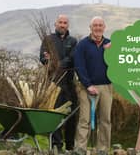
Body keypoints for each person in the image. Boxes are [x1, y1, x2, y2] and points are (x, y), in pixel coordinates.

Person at [73, 16, 112, 155]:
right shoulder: (82, 45)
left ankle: (103, 150)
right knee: (85, 120)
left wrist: (112, 51)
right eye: (95, 25)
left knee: (105, 120)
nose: (98, 27)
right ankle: (80, 149)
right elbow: (79, 66)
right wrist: (88, 85)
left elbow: (118, 64)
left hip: (107, 87)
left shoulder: (110, 44)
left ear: (104, 27)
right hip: (86, 88)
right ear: (90, 27)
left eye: (100, 25)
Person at [40, 14, 78, 152]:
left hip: (68, 82)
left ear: (68, 25)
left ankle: (70, 145)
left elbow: (72, 59)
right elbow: (43, 59)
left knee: (71, 114)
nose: (62, 25)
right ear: (55, 24)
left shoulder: (73, 41)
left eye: (65, 23)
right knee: (54, 114)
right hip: (53, 83)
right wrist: (50, 62)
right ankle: (56, 145)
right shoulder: (48, 39)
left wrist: (57, 63)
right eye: (60, 22)